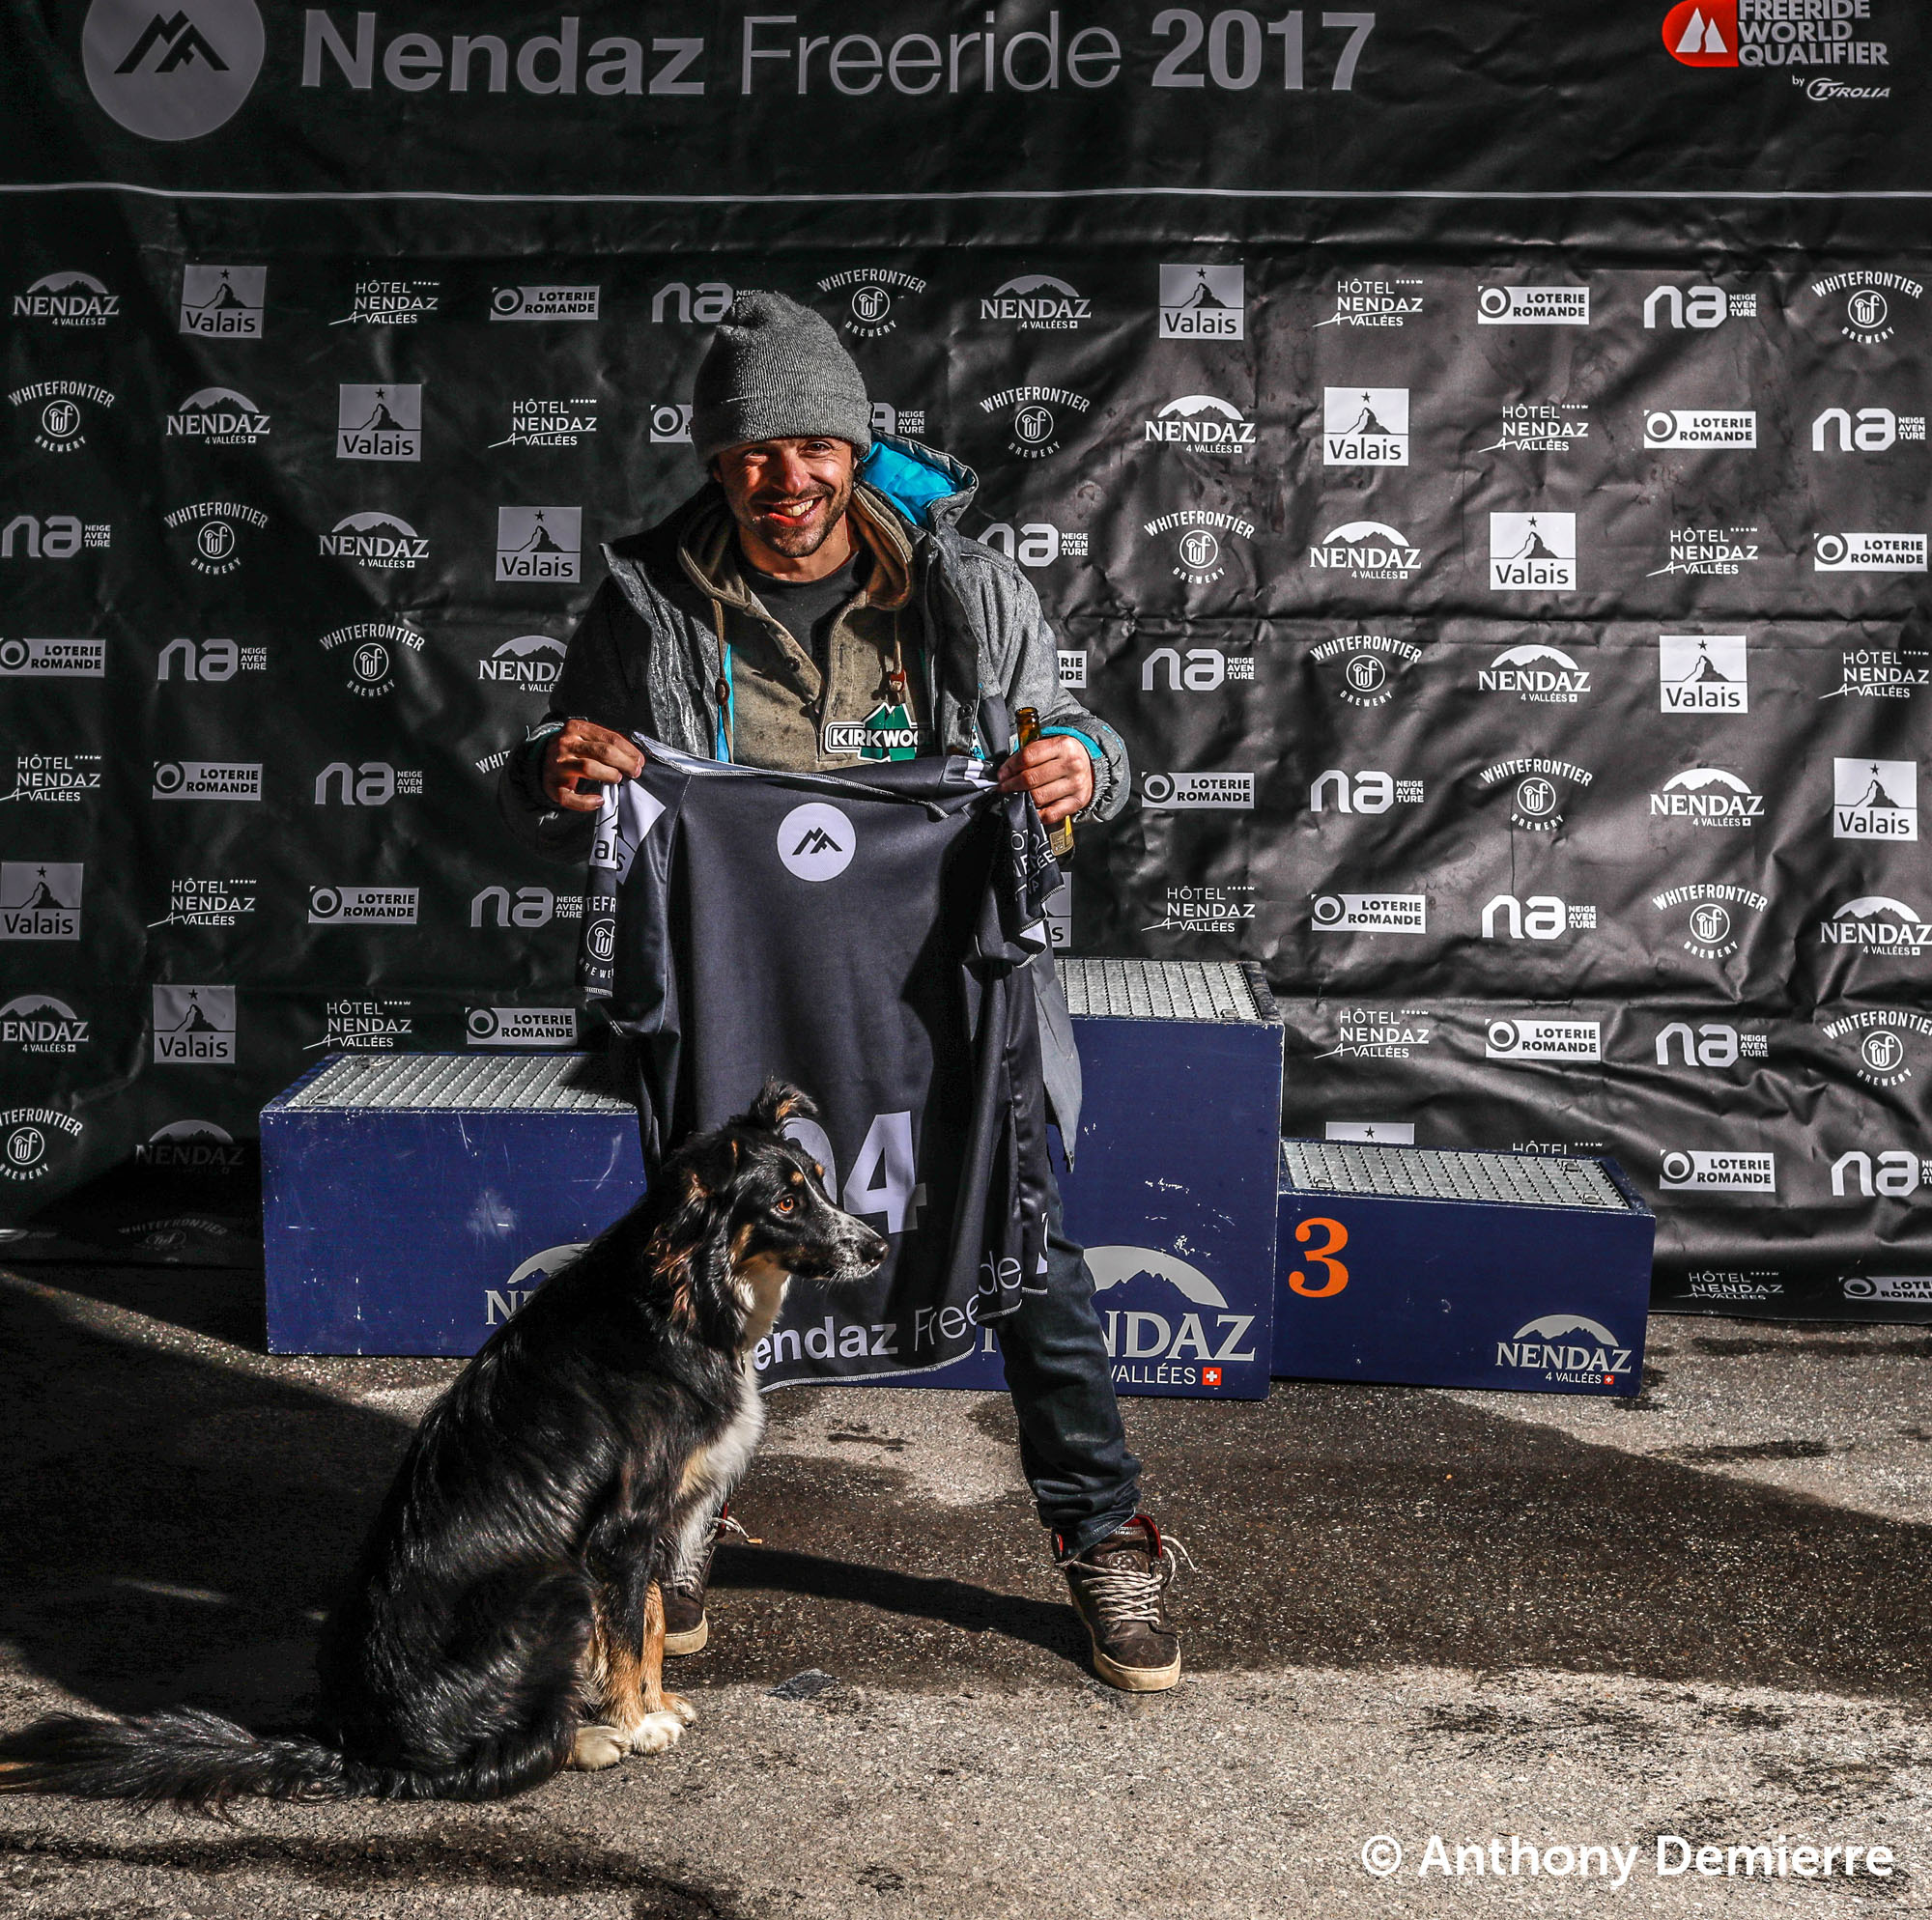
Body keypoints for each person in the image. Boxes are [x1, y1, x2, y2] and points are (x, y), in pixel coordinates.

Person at [497, 290, 1185, 1692]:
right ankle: (679, 1519)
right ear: (716, 461)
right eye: (754, 451)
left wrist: (1085, 767)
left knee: (1029, 1254)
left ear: (855, 449)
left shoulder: (966, 589)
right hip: (740, 990)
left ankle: (1103, 1530)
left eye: (814, 445)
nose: (787, 478)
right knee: (700, 1268)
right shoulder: (649, 603)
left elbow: (1071, 739)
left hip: (942, 992)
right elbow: (570, 773)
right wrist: (549, 773)